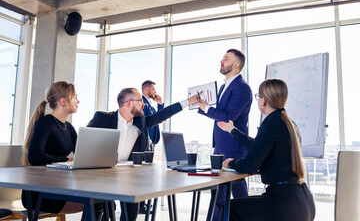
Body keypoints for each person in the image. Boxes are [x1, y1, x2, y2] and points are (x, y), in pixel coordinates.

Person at [87, 87, 199, 221]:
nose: (144, 104)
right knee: (95, 209)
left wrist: (188, 101)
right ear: (129, 103)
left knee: (132, 205)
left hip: (126, 179)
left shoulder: (141, 122)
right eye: (140, 101)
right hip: (100, 178)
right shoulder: (102, 118)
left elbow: (163, 114)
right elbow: (85, 143)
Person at [218, 79, 315, 221]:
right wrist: (233, 131)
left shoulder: (270, 123)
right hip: (302, 201)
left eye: (258, 96)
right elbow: (260, 146)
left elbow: (249, 165)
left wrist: (230, 163)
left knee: (227, 210)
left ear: (263, 101)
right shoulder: (288, 122)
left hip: (283, 204)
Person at [197, 49, 252, 220]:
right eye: (222, 58)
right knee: (221, 193)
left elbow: (228, 118)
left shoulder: (242, 88)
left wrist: (206, 107)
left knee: (234, 193)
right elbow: (220, 113)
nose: (221, 61)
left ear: (236, 65)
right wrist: (202, 105)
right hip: (221, 146)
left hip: (233, 148)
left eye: (226, 59)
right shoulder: (223, 87)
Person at [21, 81, 84, 216]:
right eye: (75, 97)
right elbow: (35, 156)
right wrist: (63, 159)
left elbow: (83, 153)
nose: (78, 101)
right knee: (97, 202)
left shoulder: (68, 127)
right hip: (40, 192)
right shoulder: (45, 123)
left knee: (104, 201)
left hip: (59, 188)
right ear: (63, 101)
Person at [139, 80, 164, 214]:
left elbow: (159, 117)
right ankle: (140, 206)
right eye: (153, 89)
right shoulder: (142, 102)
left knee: (147, 175)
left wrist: (160, 104)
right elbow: (145, 122)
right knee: (143, 176)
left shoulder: (151, 105)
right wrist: (147, 139)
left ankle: (142, 205)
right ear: (146, 89)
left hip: (151, 144)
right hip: (145, 143)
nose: (155, 91)